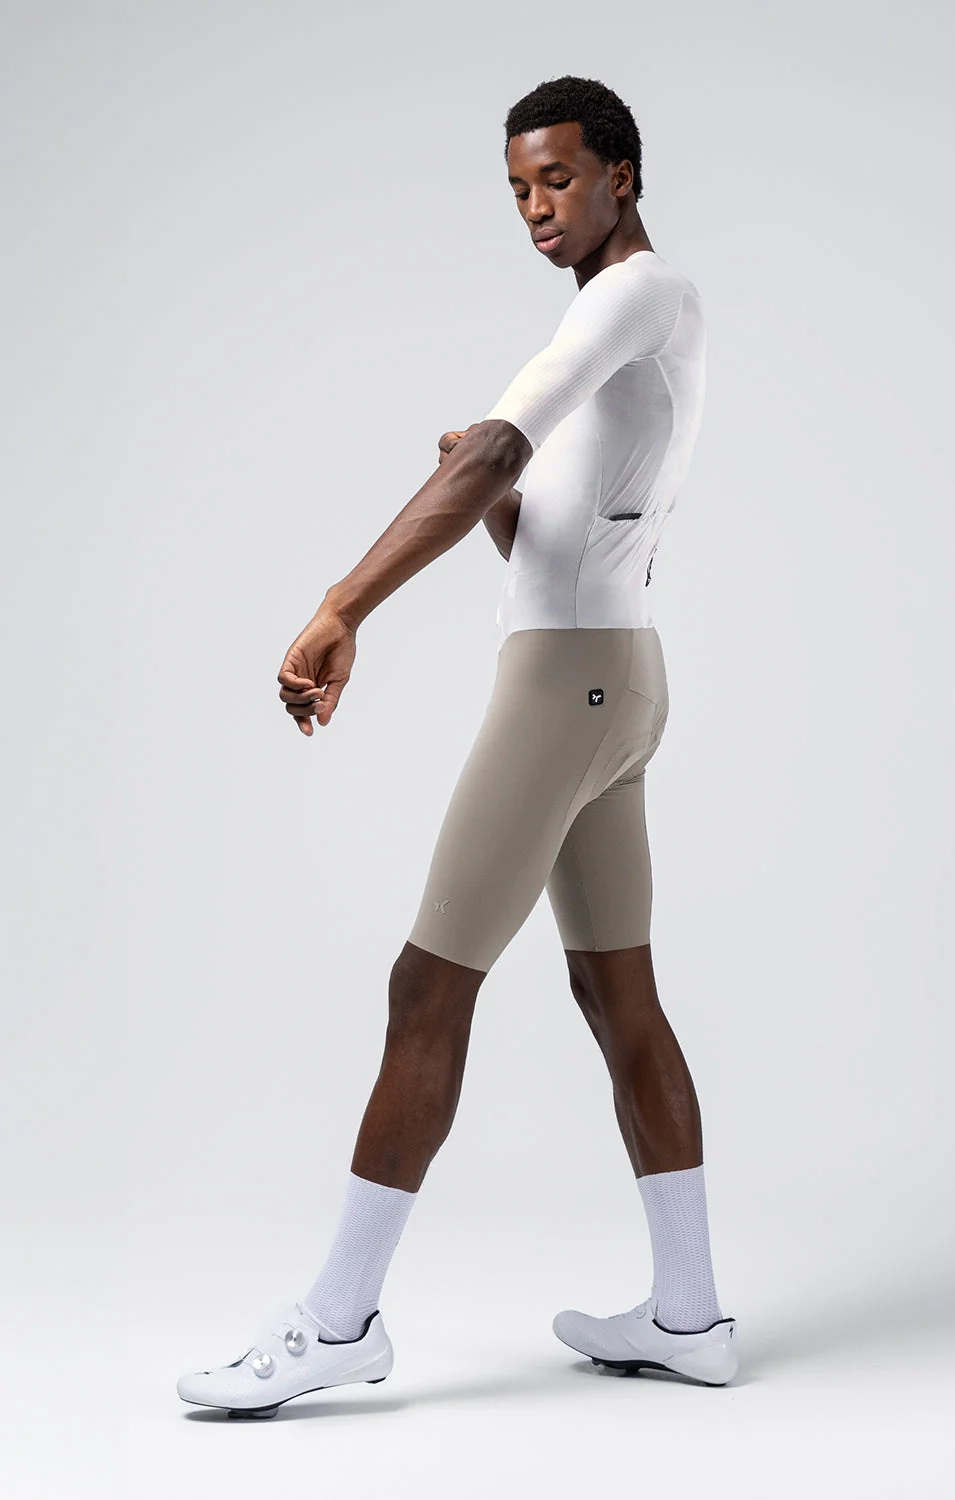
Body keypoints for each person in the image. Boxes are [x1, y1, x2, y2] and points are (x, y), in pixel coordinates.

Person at [177, 74, 737, 1419]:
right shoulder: (638, 317)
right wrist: (498, 506)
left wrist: (340, 605)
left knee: (427, 988)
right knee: (618, 996)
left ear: (622, 175)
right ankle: (690, 1316)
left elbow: (494, 447)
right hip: (614, 676)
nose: (537, 208)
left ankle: (339, 1320)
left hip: (566, 691)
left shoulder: (632, 297)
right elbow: (555, 535)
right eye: (518, 189)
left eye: (559, 179)